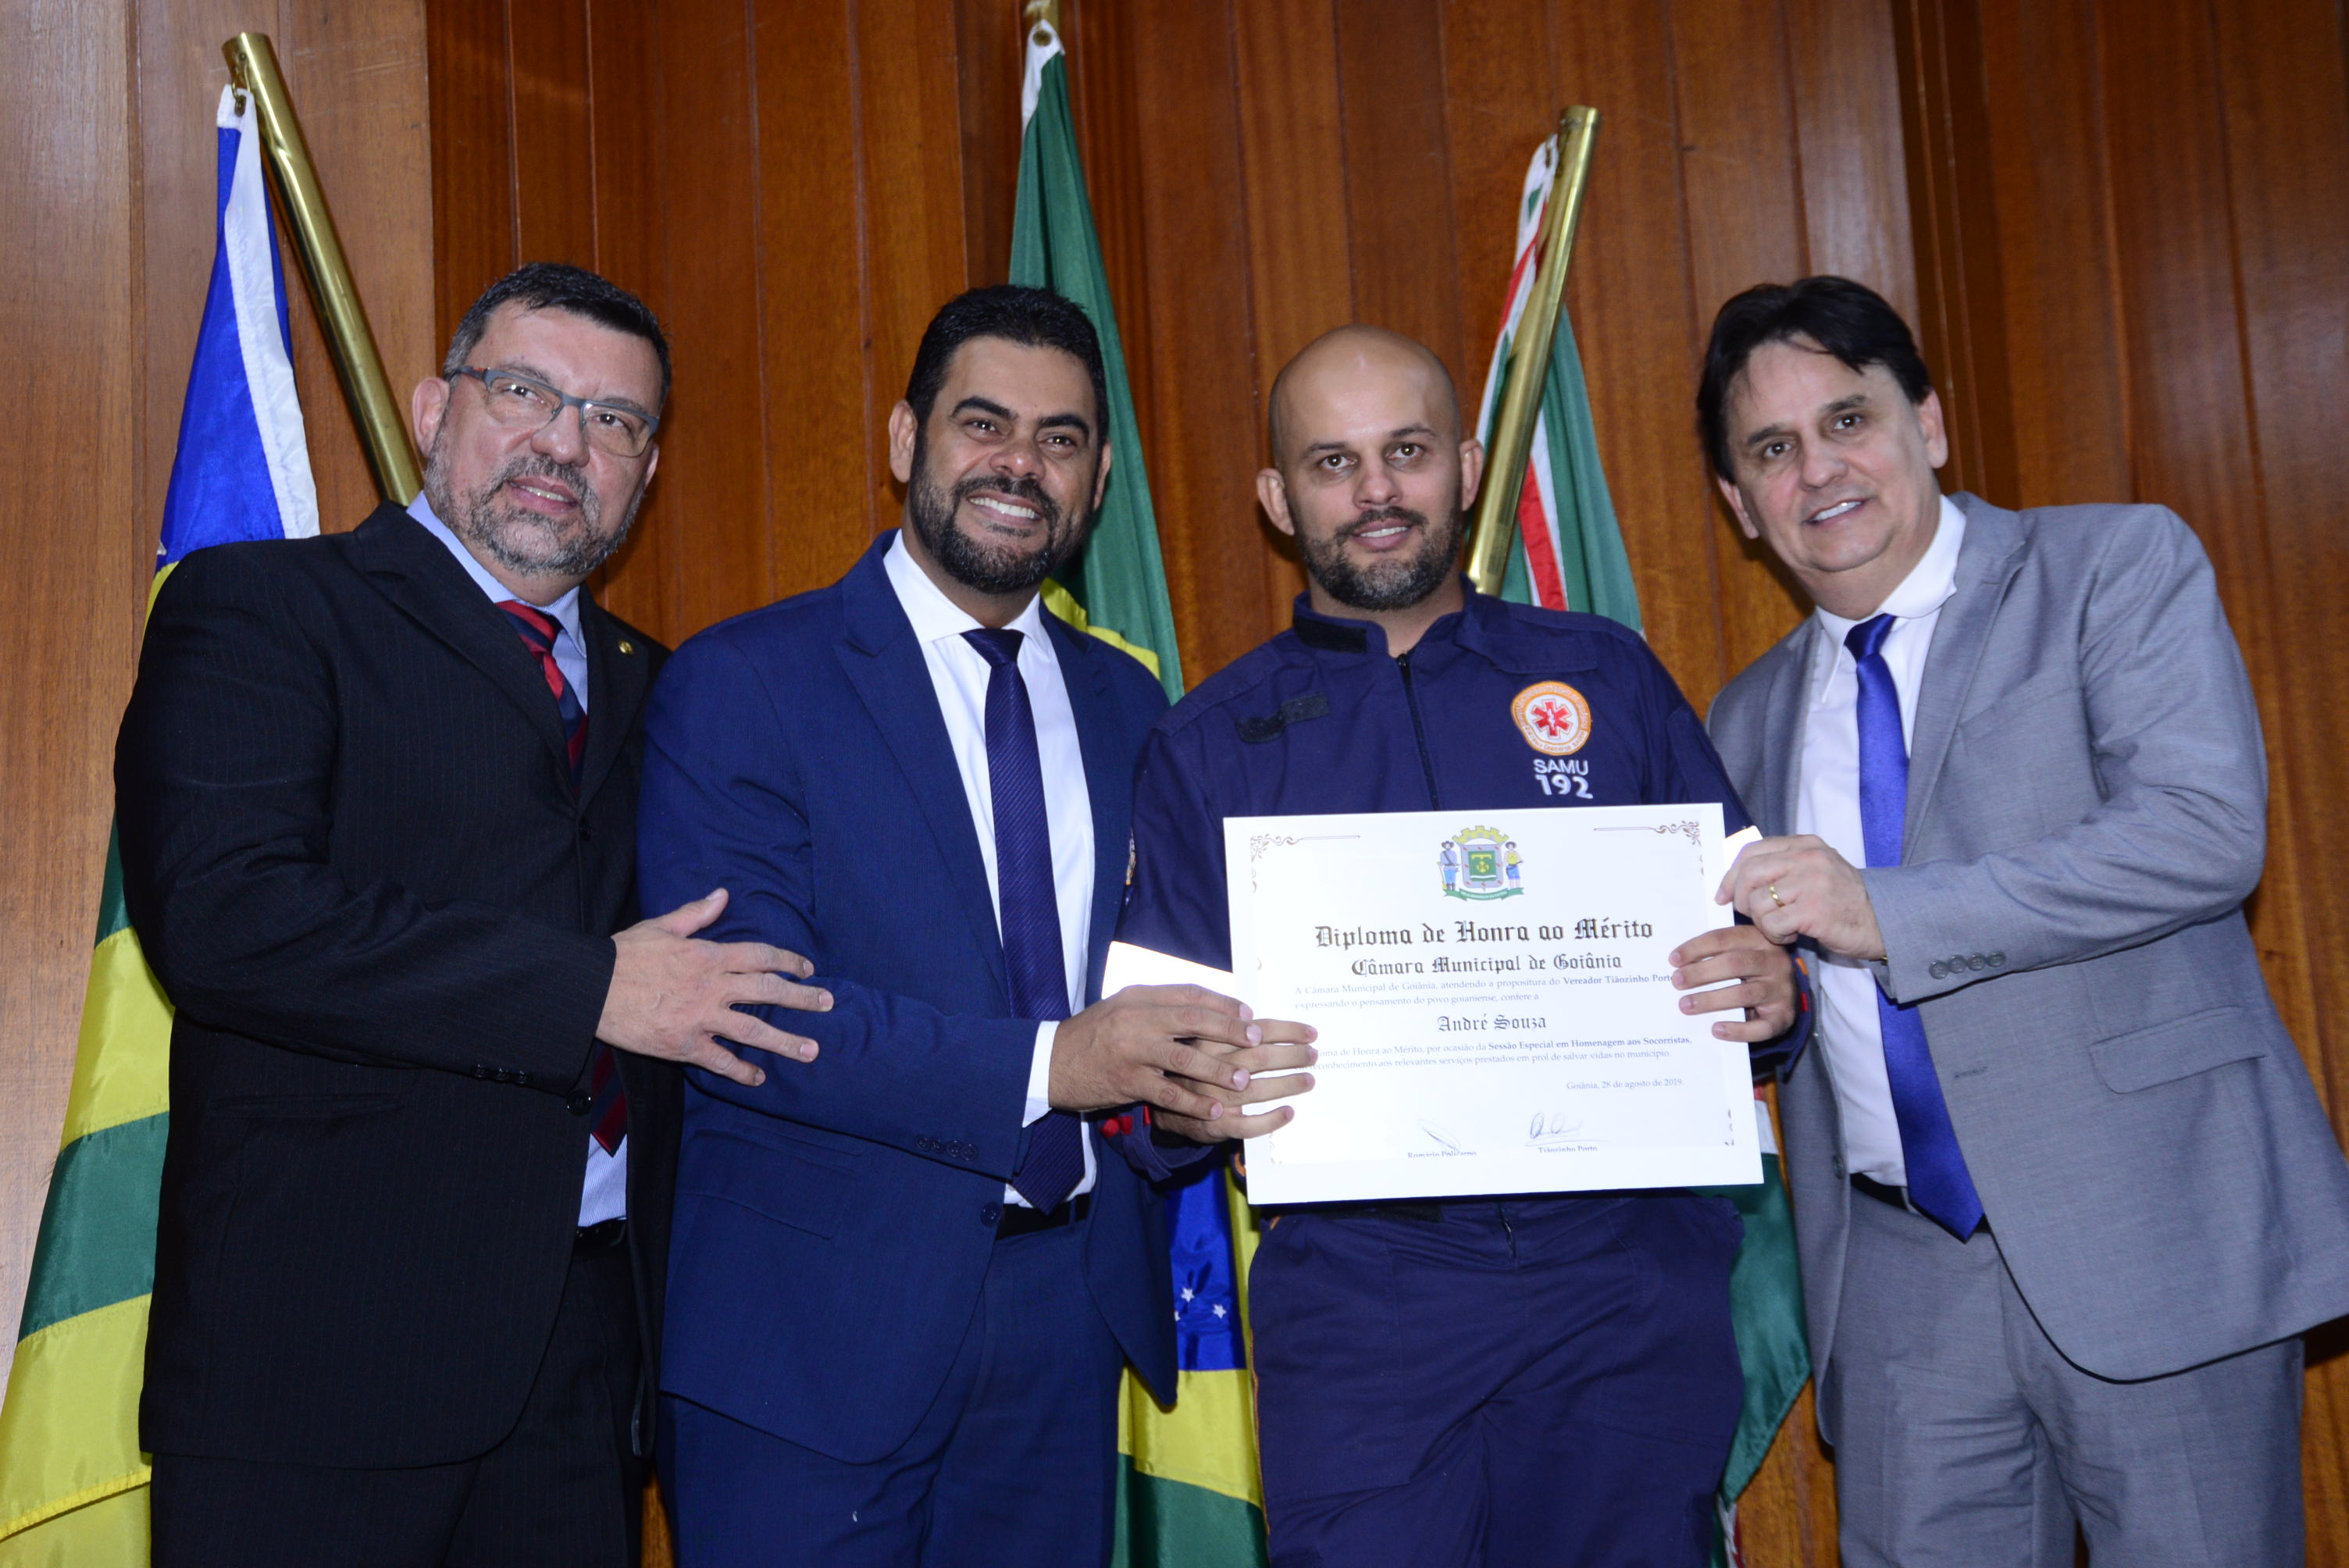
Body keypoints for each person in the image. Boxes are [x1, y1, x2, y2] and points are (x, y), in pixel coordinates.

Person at [116, 262, 830, 1566]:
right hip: (313, 1377)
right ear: (434, 411)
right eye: (524, 393)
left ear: (646, 474)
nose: (565, 442)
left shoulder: (670, 690)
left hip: (588, 1378)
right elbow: (226, 917)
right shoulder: (264, 606)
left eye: (613, 420)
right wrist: (588, 988)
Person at [635, 284, 1313, 1567]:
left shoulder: (1132, 705)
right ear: (907, 441)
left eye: (1060, 439)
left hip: (1067, 1318)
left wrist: (1185, 1097)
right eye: (983, 424)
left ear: (1097, 480)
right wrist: (1064, 1063)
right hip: (812, 1338)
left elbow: (1147, 982)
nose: (1019, 464)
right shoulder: (744, 681)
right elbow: (751, 1012)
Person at [1117, 325, 1802, 1567]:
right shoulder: (1206, 745)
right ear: (1277, 498)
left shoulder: (1609, 679)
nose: (1376, 491)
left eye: (1409, 451)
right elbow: (1147, 1087)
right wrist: (1186, 1093)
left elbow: (1753, 965)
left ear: (1471, 468)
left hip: (1622, 1289)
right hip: (1365, 1307)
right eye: (1333, 463)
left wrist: (1771, 989)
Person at [1702, 275, 2349, 1566]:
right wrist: (1771, 1007)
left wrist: (1886, 911)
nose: (1818, 470)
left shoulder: (2113, 566)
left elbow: (2201, 833)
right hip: (1896, 1282)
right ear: (1737, 503)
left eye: (1848, 420)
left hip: (2150, 1234)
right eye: (1772, 450)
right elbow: (1800, 983)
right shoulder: (1744, 714)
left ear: (1930, 424)